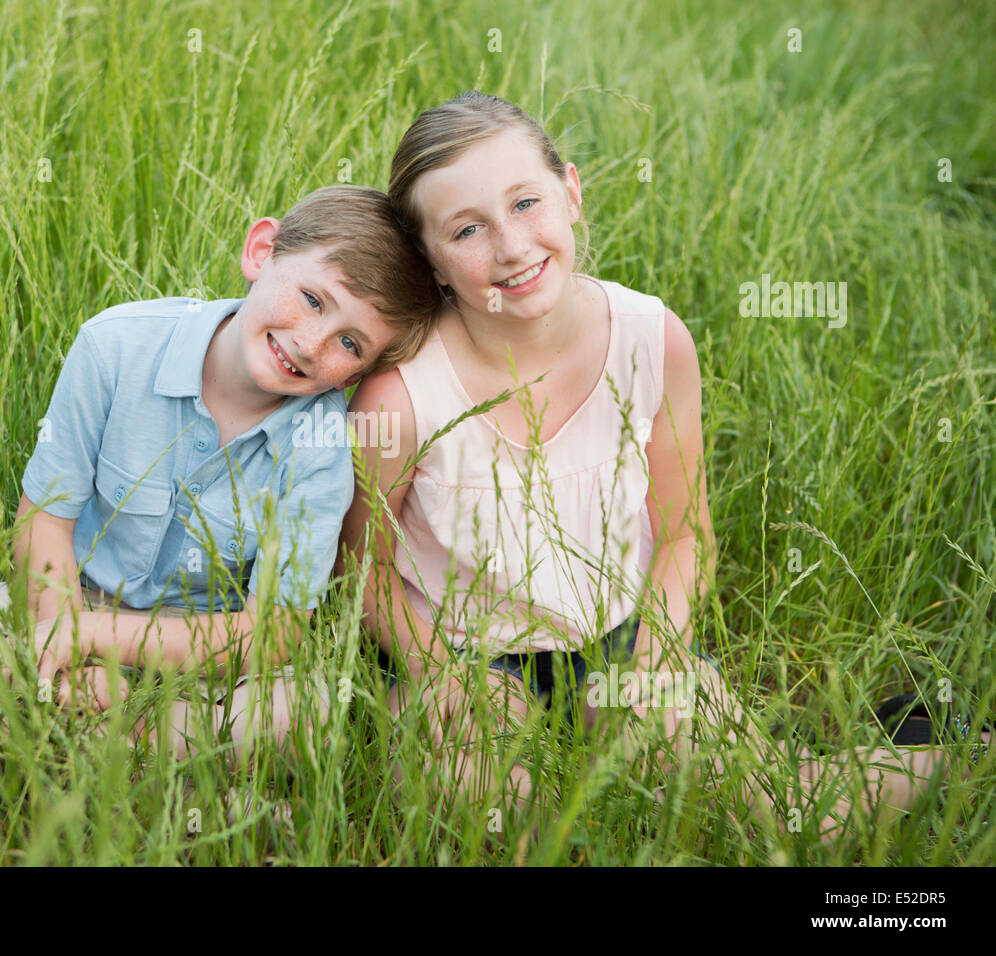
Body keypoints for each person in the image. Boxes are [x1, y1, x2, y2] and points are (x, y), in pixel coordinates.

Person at [340, 91, 988, 839]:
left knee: (786, 818)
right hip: (462, 652)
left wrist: (655, 651)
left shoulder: (652, 339)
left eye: (526, 203)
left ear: (572, 193)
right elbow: (367, 572)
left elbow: (685, 533)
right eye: (469, 229)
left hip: (620, 631)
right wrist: (444, 677)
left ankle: (947, 750)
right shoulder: (402, 392)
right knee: (497, 821)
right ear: (431, 261)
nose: (512, 247)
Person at [0, 184, 441, 764]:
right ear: (262, 251)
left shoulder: (321, 444)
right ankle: (128, 754)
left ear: (357, 374)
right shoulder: (114, 346)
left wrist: (98, 642)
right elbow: (45, 522)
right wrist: (70, 642)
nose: (311, 345)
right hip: (70, 600)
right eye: (313, 299)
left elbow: (276, 630)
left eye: (348, 342)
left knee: (299, 713)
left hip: (204, 649)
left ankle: (89, 744)